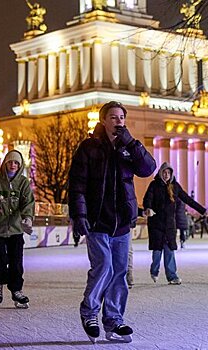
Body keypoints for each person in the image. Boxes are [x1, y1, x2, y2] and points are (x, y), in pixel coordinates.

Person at [68, 100, 156, 343]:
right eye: (113, 117)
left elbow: (148, 168)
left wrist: (131, 143)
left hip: (122, 222)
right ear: (103, 121)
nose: (118, 121)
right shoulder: (89, 147)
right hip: (97, 220)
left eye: (121, 117)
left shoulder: (128, 147)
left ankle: (114, 319)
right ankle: (89, 311)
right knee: (104, 266)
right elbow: (76, 185)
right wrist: (80, 215)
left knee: (119, 272)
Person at [0, 150, 35, 308]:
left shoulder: (23, 182)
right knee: (0, 260)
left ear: (20, 165)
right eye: (10, 162)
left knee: (16, 262)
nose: (13, 165)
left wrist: (27, 217)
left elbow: (28, 202)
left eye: (16, 163)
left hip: (15, 228)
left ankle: (16, 290)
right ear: (5, 163)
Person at [144, 162, 206, 285]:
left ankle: (172, 276)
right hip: (156, 223)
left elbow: (187, 199)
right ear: (160, 173)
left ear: (171, 174)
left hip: (169, 225)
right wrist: (148, 208)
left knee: (170, 251)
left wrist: (202, 210)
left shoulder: (175, 186)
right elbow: (147, 199)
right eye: (164, 172)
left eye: (168, 173)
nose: (166, 175)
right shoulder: (154, 185)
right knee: (157, 252)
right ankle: (154, 270)